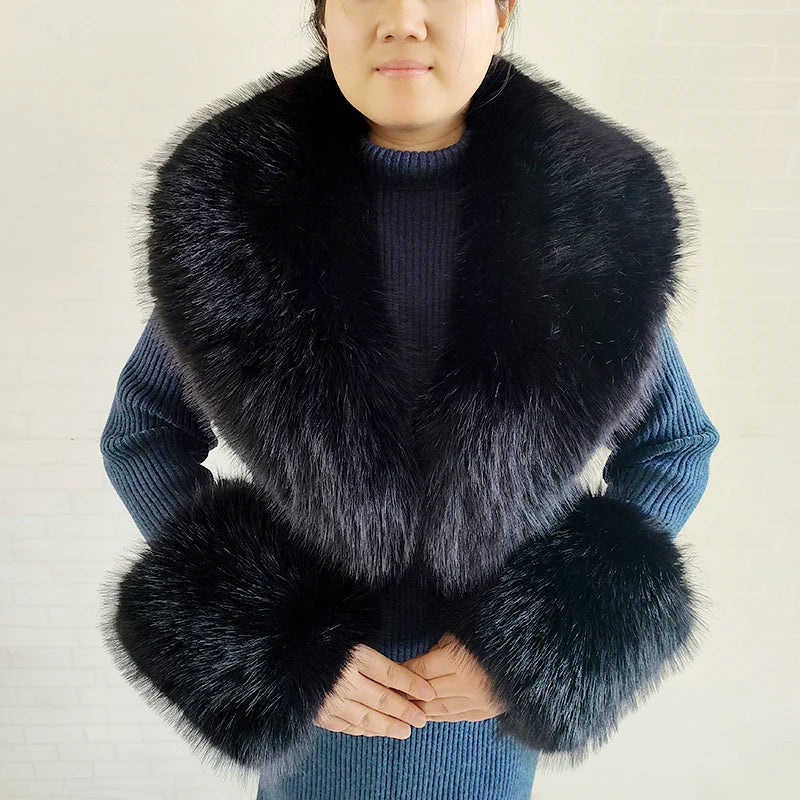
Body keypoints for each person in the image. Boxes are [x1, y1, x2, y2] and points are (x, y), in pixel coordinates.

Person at [99, 1, 721, 798]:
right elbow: (145, 431)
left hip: (485, 740)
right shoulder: (244, 217)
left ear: (501, 12)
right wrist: (273, 638)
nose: (401, 19)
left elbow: (674, 444)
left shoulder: (584, 221)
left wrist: (547, 636)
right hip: (317, 745)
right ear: (325, 16)